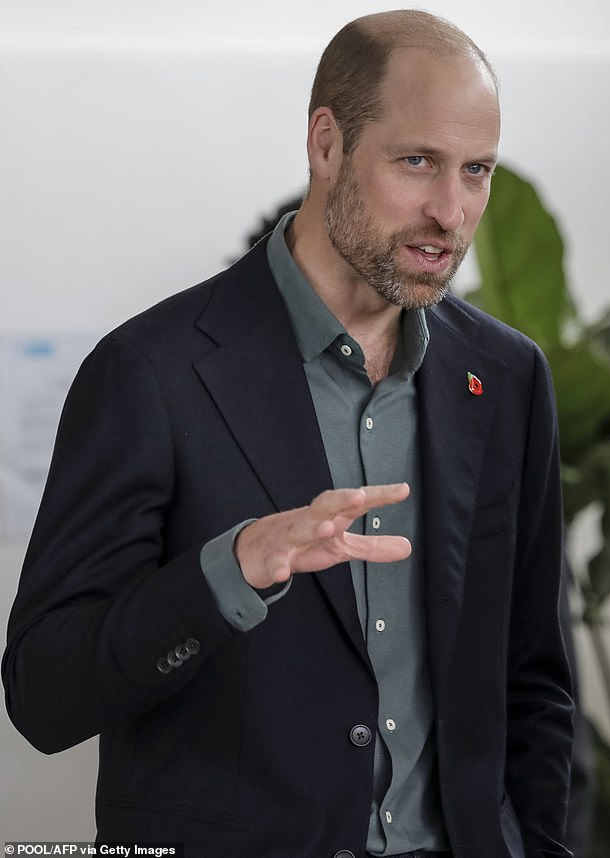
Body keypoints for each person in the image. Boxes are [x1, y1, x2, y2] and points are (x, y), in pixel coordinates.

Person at [2, 10, 574, 858]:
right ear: (326, 142)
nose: (451, 212)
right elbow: (45, 695)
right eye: (418, 161)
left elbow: (534, 679)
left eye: (477, 170)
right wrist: (226, 573)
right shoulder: (149, 373)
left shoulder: (509, 376)